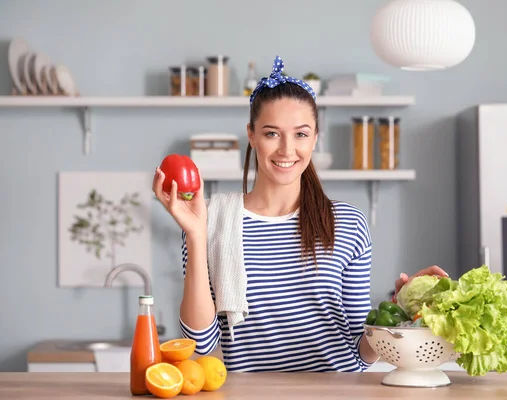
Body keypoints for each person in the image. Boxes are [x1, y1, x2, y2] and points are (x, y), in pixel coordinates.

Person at [152, 55, 448, 372]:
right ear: (251, 135)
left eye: (301, 134)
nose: (287, 150)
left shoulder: (347, 224)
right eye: (271, 133)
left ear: (315, 139)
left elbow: (362, 352)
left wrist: (398, 308)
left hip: (336, 394)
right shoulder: (211, 222)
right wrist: (196, 235)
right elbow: (200, 341)